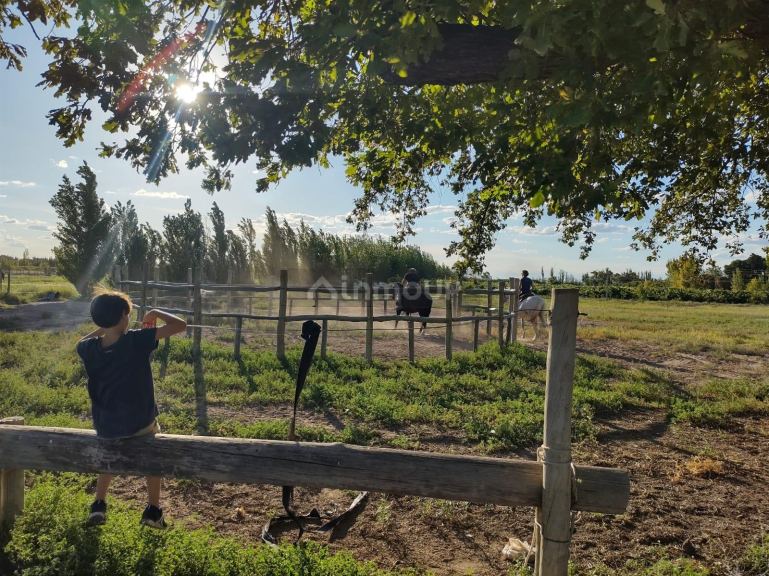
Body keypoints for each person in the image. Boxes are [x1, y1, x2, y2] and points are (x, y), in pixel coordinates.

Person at [77, 289, 186, 528]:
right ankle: (153, 510)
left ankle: (99, 505)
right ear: (124, 317)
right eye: (128, 314)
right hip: (139, 423)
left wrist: (106, 327)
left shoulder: (88, 349)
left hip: (106, 426)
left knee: (109, 457)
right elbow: (180, 324)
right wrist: (155, 312)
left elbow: (82, 340)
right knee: (153, 455)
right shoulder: (137, 340)